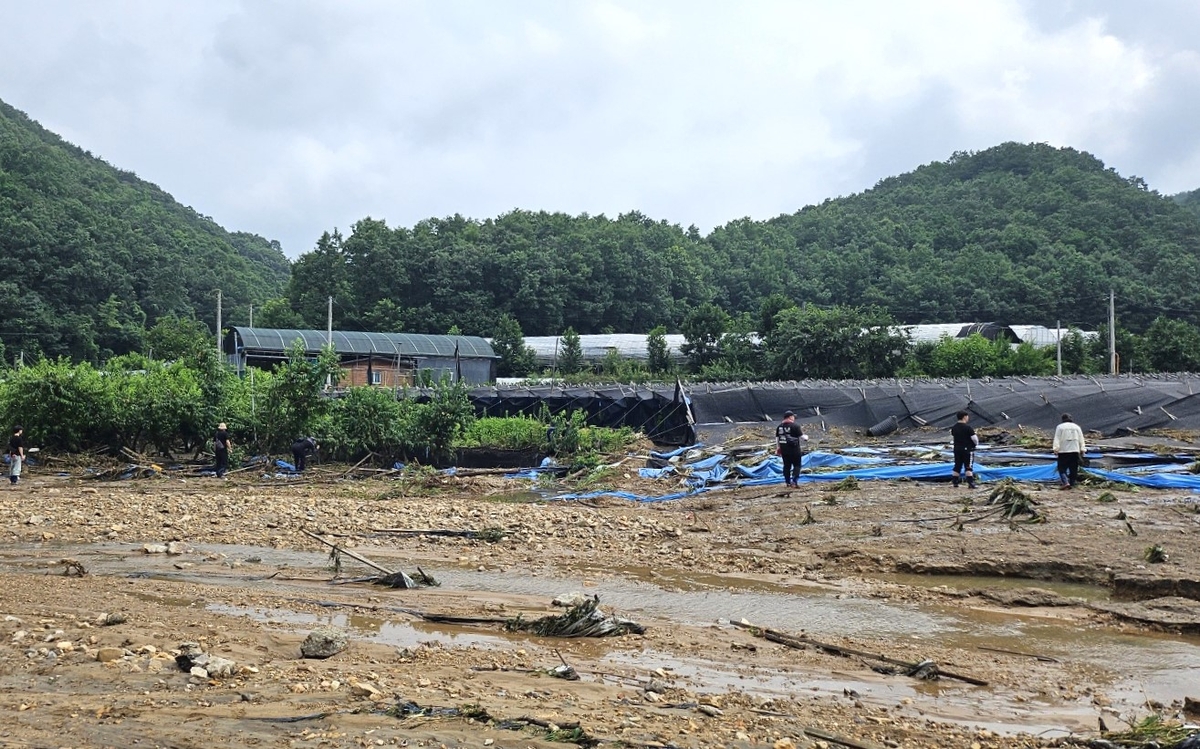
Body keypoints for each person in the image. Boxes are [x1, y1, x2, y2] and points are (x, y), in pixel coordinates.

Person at [775, 410, 809, 488]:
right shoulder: (795, 426)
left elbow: (777, 439)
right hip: (794, 449)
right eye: (793, 416)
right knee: (797, 465)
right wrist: (806, 437)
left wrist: (778, 448)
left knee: (786, 466)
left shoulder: (779, 427)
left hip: (784, 450)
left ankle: (787, 482)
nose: (794, 418)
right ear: (790, 417)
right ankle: (794, 481)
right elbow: (802, 437)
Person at [1053, 413, 1086, 489]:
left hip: (1064, 451)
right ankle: (1072, 483)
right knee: (1073, 468)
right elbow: (1081, 439)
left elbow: (1057, 438)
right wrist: (1082, 449)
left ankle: (1065, 482)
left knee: (1062, 468)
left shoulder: (1060, 427)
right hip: (1075, 450)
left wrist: (1056, 449)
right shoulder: (1077, 427)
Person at [950, 411, 977, 489]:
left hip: (957, 449)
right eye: (967, 416)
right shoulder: (968, 428)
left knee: (957, 465)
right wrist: (975, 444)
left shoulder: (954, 427)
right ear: (964, 417)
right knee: (968, 466)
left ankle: (955, 482)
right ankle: (970, 483)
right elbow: (974, 439)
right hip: (967, 449)